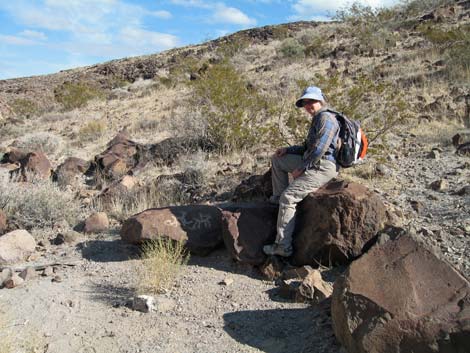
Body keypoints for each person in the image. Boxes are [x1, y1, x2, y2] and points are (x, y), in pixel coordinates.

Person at [263, 86, 340, 257]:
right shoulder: (318, 118)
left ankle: (283, 246)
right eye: (305, 102)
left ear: (320, 100)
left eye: (311, 101)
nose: (308, 105)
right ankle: (277, 201)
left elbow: (320, 149)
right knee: (278, 159)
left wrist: (302, 168)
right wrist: (288, 150)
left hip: (323, 166)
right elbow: (307, 148)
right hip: (315, 161)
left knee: (289, 197)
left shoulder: (326, 119)